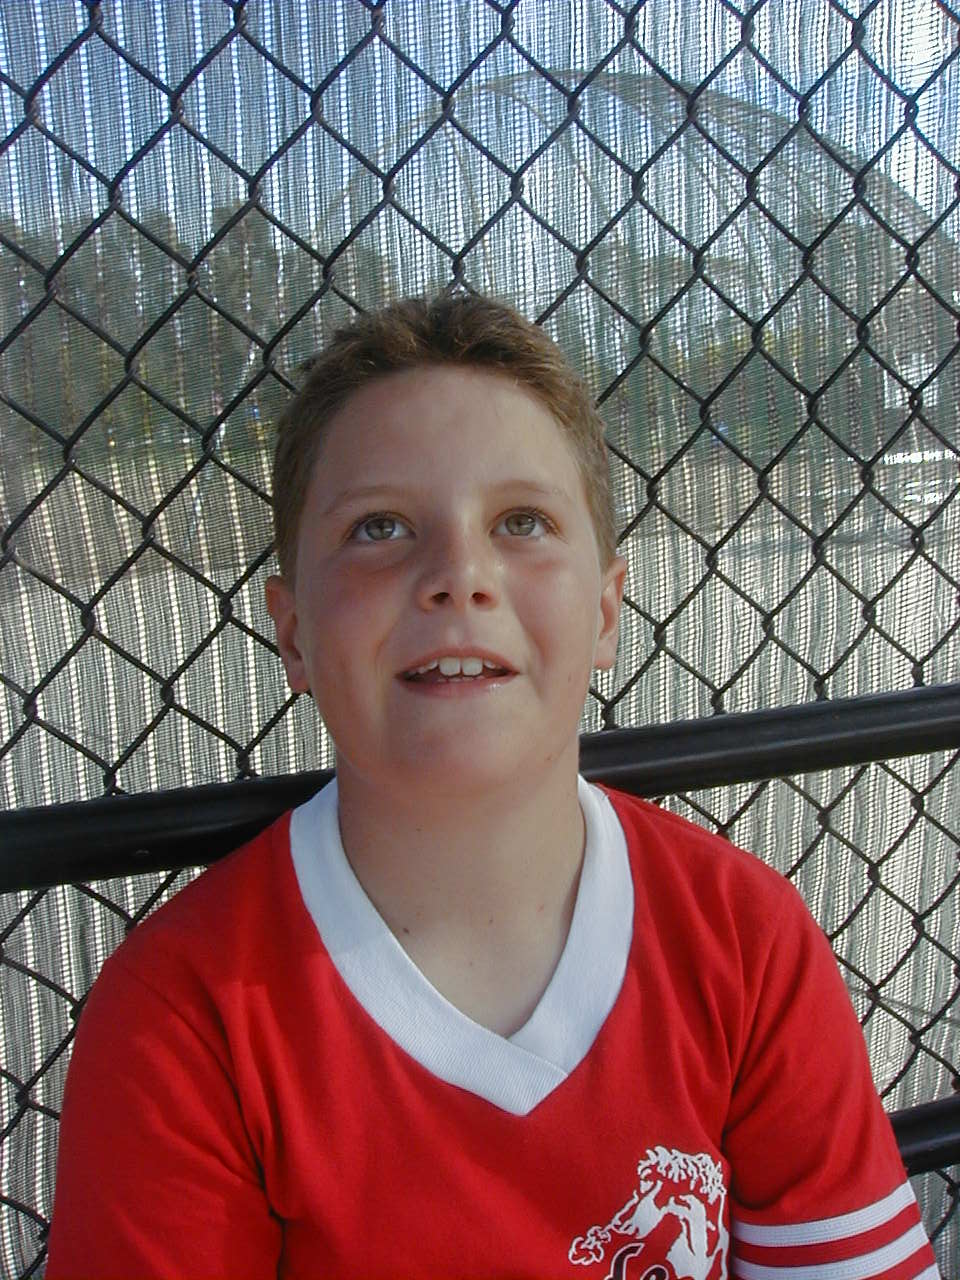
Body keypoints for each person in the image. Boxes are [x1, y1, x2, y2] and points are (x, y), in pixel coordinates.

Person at [45, 294, 939, 1280]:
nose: (459, 574)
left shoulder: (743, 938)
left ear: (606, 615)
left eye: (522, 521)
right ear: (293, 633)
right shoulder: (183, 1016)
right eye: (380, 526)